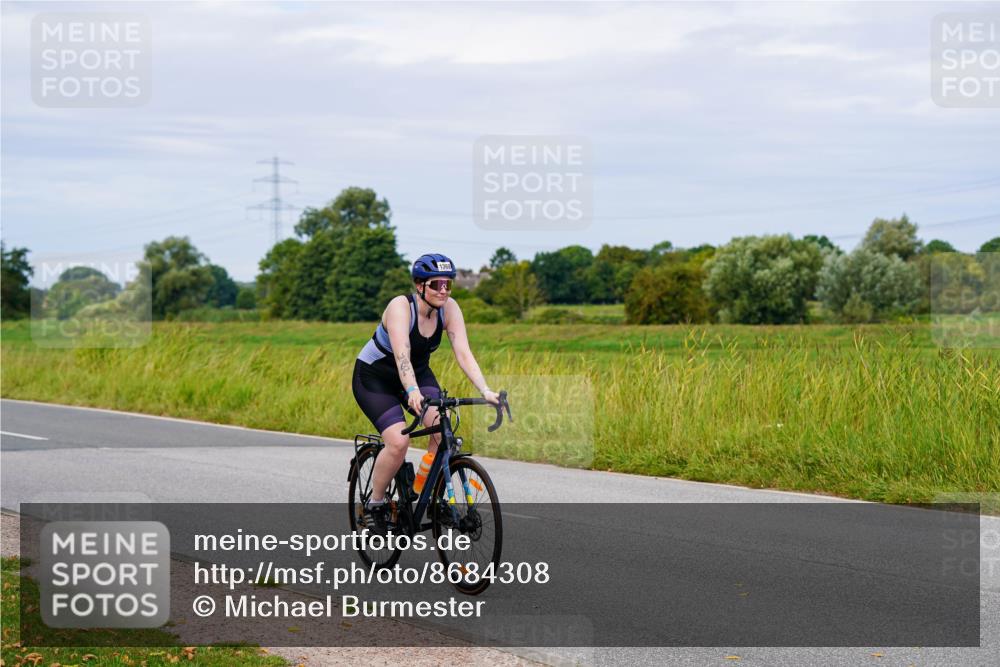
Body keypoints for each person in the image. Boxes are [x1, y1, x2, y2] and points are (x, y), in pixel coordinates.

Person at [352, 253, 499, 532]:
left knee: (443, 432)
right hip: (376, 377)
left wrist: (486, 389)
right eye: (436, 284)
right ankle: (375, 503)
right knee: (398, 442)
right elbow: (402, 356)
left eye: (448, 284)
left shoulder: (450, 309)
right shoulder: (400, 307)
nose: (443, 290)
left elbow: (464, 353)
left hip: (418, 374)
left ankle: (423, 493)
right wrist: (411, 391)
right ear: (419, 285)